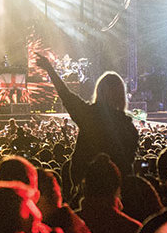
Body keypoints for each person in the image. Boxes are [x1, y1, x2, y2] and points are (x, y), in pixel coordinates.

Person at [36, 53, 139, 186]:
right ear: (121, 94)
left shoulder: (90, 116)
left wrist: (50, 70)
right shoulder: (127, 126)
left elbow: (66, 96)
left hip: (87, 188)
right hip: (118, 193)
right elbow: (129, 164)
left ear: (99, 92)